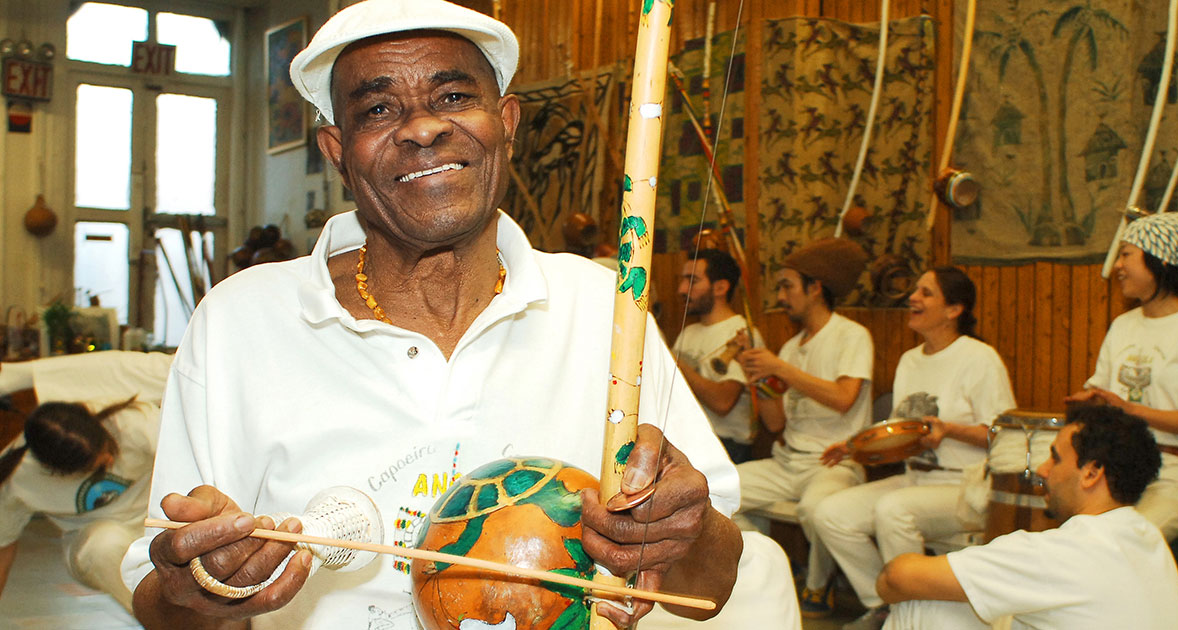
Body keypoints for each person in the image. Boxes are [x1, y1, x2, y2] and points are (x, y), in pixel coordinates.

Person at [119, 2, 742, 629]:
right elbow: (163, 606)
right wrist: (193, 586)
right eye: (378, 109)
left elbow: (710, 589)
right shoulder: (241, 321)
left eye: (451, 96)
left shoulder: (605, 307)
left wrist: (687, 531)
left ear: (505, 121)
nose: (422, 128)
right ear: (337, 151)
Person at [813, 267, 1015, 630]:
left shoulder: (980, 358)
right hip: (914, 479)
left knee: (894, 510)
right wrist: (855, 445)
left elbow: (1003, 435)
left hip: (965, 486)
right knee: (830, 514)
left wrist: (949, 430)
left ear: (954, 310)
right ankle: (888, 606)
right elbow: (898, 429)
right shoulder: (910, 359)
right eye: (915, 291)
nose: (913, 298)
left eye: (925, 292)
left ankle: (914, 617)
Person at [875, 405, 1178, 630]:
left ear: (1091, 473)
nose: (1042, 470)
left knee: (923, 602)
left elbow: (894, 578)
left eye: (1055, 457)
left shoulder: (1061, 552)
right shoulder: (1148, 535)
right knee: (991, 608)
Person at [732, 237, 874, 618]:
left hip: (835, 463)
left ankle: (818, 584)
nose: (781, 295)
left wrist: (780, 369)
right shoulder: (792, 347)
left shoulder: (851, 336)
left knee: (816, 508)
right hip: (787, 461)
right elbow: (776, 423)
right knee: (721, 493)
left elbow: (845, 398)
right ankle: (770, 566)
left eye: (787, 286)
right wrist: (760, 381)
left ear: (815, 288)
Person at [0, 350, 173, 611]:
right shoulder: (18, 478)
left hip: (157, 518)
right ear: (57, 472)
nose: (108, 461)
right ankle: (161, 621)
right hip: (93, 539)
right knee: (103, 546)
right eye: (97, 465)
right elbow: (3, 547)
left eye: (106, 451)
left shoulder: (128, 420)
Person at [1066, 211, 1178, 542]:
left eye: (1126, 254)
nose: (1117, 266)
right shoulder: (1123, 325)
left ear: (1161, 261)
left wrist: (1130, 409)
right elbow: (1107, 393)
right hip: (1113, 467)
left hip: (1173, 473)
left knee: (1128, 541)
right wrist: (1094, 401)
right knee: (1076, 538)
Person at [673, 248, 765, 464]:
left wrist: (676, 363)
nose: (681, 289)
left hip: (725, 447)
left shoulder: (741, 332)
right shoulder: (689, 332)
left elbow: (723, 403)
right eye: (683, 280)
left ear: (721, 287)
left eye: (692, 281)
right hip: (689, 441)